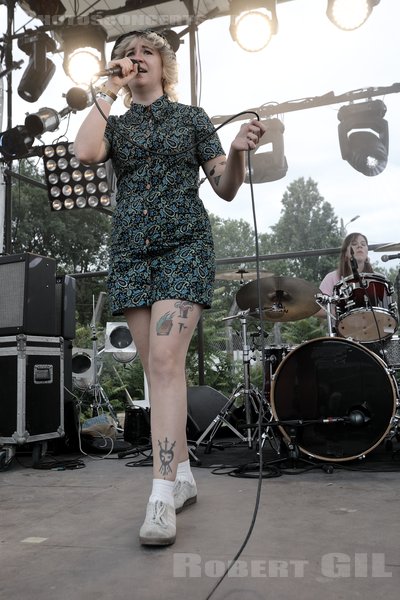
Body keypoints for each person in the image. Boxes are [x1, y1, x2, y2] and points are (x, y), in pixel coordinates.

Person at [74, 29, 266, 547]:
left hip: (184, 245)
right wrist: (108, 89)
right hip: (132, 250)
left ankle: (160, 496)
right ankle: (181, 475)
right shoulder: (116, 121)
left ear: (164, 66)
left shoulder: (191, 118)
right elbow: (86, 151)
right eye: (126, 55)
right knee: (159, 370)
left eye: (144, 53)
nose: (135, 59)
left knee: (163, 364)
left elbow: (225, 187)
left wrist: (236, 152)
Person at [316, 232, 374, 321]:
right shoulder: (331, 278)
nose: (359, 246)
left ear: (367, 253)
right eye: (354, 244)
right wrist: (341, 312)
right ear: (346, 254)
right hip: (342, 331)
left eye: (363, 244)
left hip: (373, 328)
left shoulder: (377, 279)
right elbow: (318, 309)